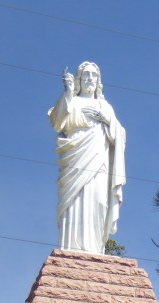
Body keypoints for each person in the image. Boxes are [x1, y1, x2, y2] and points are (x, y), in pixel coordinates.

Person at [48, 61, 126, 255]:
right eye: (86, 75)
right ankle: (71, 249)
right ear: (79, 79)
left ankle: (95, 249)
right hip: (74, 159)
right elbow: (57, 122)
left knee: (99, 201)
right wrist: (67, 93)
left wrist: (104, 119)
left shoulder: (104, 106)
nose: (90, 78)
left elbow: (120, 136)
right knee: (74, 202)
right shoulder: (72, 101)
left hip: (99, 158)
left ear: (98, 80)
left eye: (94, 75)